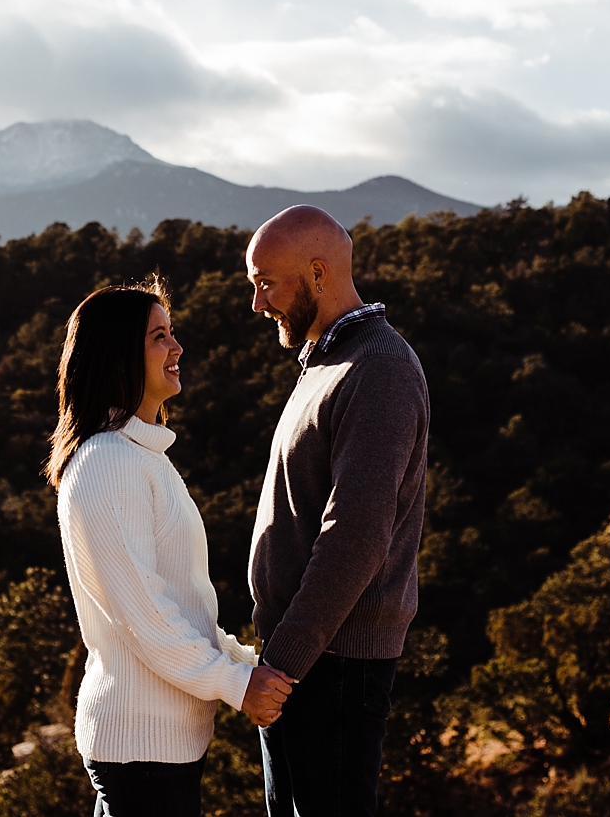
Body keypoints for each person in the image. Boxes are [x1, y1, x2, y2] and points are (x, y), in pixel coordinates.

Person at [50, 278, 300, 817]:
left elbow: (186, 606)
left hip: (161, 746)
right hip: (141, 750)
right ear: (119, 355)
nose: (177, 347)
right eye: (159, 336)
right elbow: (147, 617)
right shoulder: (108, 464)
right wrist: (238, 683)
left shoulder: (142, 458)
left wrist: (248, 663)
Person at [245, 206, 431, 817]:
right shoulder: (324, 362)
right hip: (304, 659)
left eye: (265, 282)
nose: (257, 303)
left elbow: (354, 536)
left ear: (319, 273)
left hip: (334, 665)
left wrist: (283, 663)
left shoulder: (379, 368)